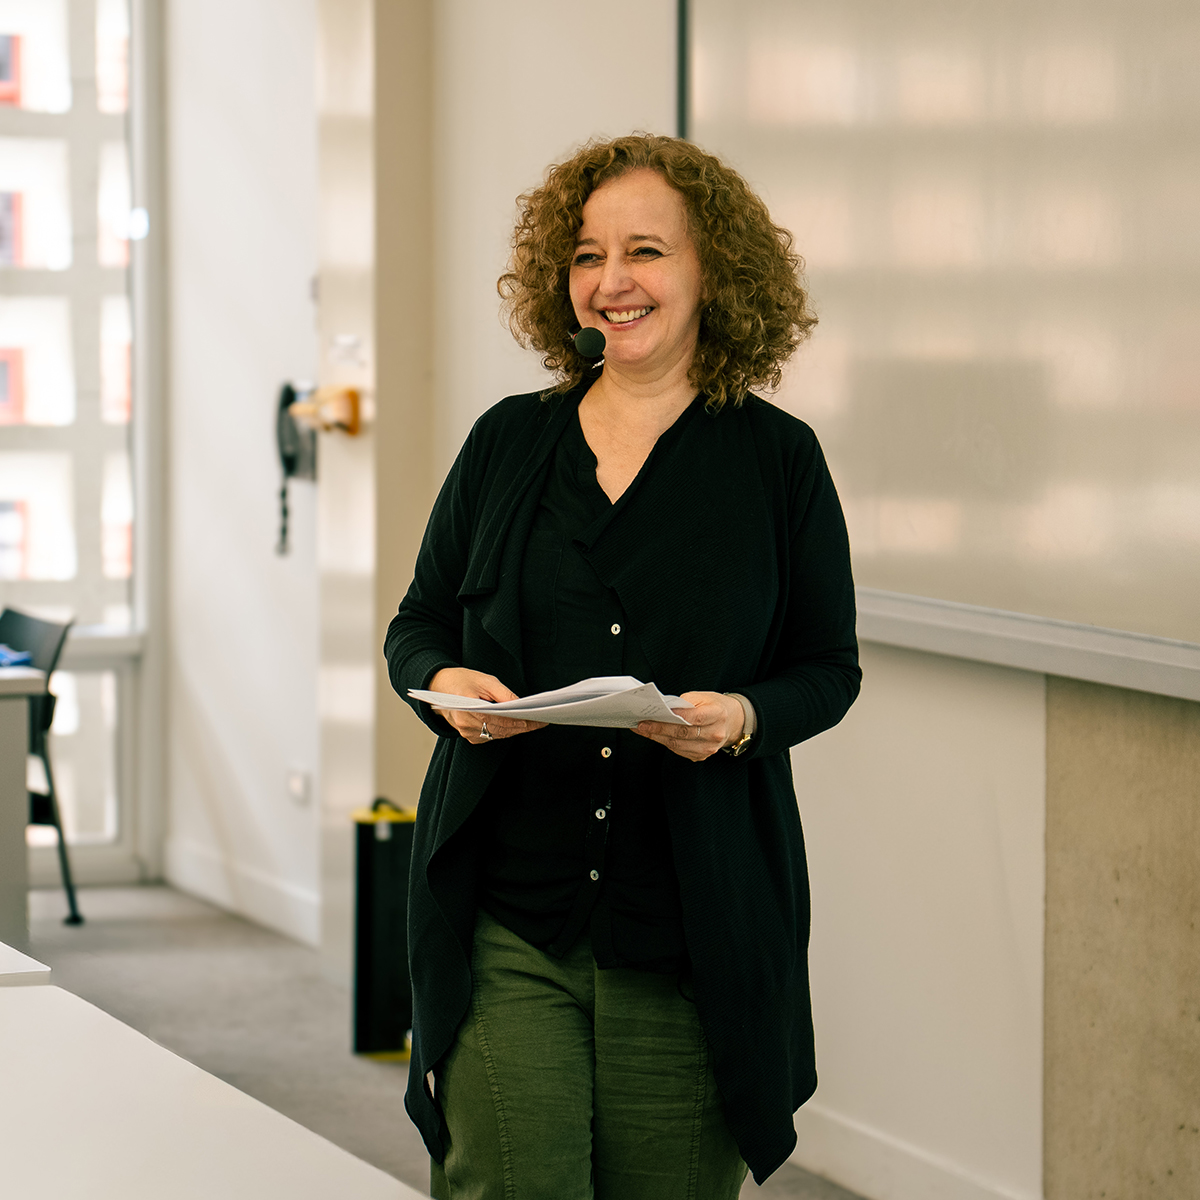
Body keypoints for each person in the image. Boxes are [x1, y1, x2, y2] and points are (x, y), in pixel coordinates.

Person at [385, 133, 860, 1199]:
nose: (613, 282)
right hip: (513, 911)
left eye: (645, 251)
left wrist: (741, 715)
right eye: (588, 255)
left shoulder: (777, 462)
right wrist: (444, 685)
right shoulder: (508, 443)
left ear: (711, 273)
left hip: (691, 928)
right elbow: (418, 625)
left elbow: (827, 668)